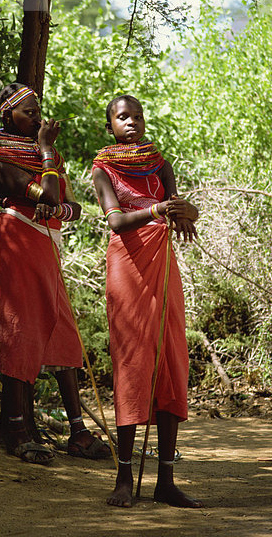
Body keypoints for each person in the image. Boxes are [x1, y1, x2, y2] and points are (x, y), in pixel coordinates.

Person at [0, 83, 111, 464]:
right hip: (16, 240)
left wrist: (57, 208)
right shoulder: (1, 157)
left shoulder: (41, 154)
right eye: (28, 112)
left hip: (46, 244)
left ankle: (78, 434)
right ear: (8, 116)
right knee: (21, 329)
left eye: (38, 110)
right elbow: (51, 196)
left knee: (61, 329)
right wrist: (47, 151)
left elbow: (70, 207)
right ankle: (16, 430)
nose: (37, 117)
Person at [92, 94, 203, 508]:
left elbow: (177, 212)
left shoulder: (160, 164)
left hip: (163, 266)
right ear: (110, 127)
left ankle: (166, 481)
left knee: (170, 359)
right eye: (123, 117)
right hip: (127, 268)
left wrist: (186, 212)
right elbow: (117, 221)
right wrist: (159, 209)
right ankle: (123, 477)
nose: (132, 123)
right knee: (133, 361)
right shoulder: (102, 168)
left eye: (137, 116)